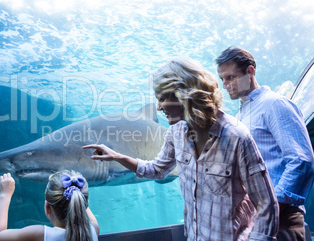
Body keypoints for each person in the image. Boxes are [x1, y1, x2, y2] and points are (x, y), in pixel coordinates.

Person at [83, 57, 279, 240]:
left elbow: (267, 204)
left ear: (184, 94)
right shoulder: (176, 134)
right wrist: (117, 156)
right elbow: (157, 170)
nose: (158, 107)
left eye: (162, 98)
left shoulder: (236, 136)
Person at [215, 46, 314, 241]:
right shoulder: (242, 114)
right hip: (258, 220)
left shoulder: (275, 104)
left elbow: (302, 160)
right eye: (222, 79)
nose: (225, 85)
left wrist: (273, 206)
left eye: (230, 77)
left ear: (250, 71)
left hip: (282, 218)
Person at [0, 170, 99, 241]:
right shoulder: (93, 230)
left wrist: (5, 194)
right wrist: (76, 193)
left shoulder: (40, 234)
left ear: (47, 208)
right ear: (83, 204)